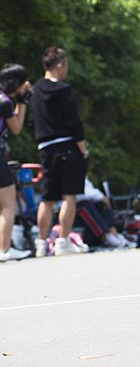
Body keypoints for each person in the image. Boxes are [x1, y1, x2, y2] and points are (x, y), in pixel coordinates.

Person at [29, 47, 89, 256]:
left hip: (45, 147)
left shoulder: (34, 91)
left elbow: (31, 120)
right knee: (68, 195)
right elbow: (75, 122)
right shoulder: (65, 90)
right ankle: (63, 240)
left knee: (47, 197)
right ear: (60, 65)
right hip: (67, 145)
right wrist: (82, 148)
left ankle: (41, 243)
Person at [0, 63, 33, 261]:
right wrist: (23, 102)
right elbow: (17, 128)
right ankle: (4, 249)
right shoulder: (5, 103)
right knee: (8, 204)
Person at [75, 176, 134, 248]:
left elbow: (88, 189)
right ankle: (105, 237)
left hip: (77, 202)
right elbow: (80, 193)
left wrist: (101, 198)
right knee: (86, 205)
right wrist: (101, 197)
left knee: (101, 204)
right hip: (64, 206)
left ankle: (113, 234)